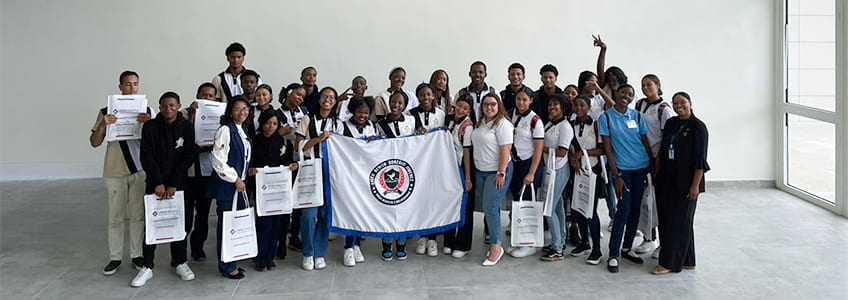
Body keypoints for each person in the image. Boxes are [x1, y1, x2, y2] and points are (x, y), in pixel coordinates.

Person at [133, 92, 197, 287]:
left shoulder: (186, 127)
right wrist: (158, 182)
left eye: (172, 105)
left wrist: (174, 183)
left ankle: (180, 262)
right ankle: (147, 266)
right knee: (153, 223)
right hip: (155, 184)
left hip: (179, 184)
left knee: (179, 223)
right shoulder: (150, 126)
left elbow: (188, 155)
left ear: (178, 106)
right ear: (159, 107)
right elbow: (146, 156)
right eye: (164, 106)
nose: (168, 109)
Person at [90, 70, 151, 275]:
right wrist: (103, 125)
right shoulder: (106, 111)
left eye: (135, 84)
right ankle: (115, 257)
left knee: (138, 215)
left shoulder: (147, 110)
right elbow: (94, 142)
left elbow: (156, 141)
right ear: (120, 87)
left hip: (139, 169)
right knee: (115, 217)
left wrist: (149, 124)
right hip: (114, 170)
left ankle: (137, 254)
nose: (132, 88)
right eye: (127, 84)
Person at [652, 92, 709, 275]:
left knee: (677, 222)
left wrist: (695, 186)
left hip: (687, 183)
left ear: (690, 103)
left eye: (682, 102)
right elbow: (663, 149)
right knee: (678, 221)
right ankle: (687, 260)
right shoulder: (671, 123)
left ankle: (669, 263)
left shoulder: (698, 127)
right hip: (667, 179)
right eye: (675, 103)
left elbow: (700, 161)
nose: (679, 106)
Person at [598, 84, 653, 273]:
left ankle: (627, 248)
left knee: (636, 210)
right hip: (623, 171)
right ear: (616, 94)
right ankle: (613, 254)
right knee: (623, 211)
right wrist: (616, 175)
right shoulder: (606, 117)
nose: (626, 97)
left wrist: (651, 166)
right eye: (623, 93)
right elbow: (608, 149)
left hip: (641, 168)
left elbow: (645, 142)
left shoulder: (636, 116)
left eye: (630, 94)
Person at [295, 87, 343, 271]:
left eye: (331, 97)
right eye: (324, 96)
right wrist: (319, 138)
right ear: (319, 99)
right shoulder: (307, 119)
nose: (327, 100)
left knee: (325, 214)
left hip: (330, 170)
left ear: (335, 101)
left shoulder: (338, 123)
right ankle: (308, 252)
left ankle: (319, 253)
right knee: (308, 215)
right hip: (310, 168)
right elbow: (298, 146)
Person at [206, 96, 252, 279]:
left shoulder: (243, 130)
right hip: (228, 186)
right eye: (238, 109)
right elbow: (218, 161)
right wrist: (235, 179)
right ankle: (226, 266)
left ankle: (232, 261)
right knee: (227, 227)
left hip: (239, 185)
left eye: (245, 109)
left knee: (235, 225)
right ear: (230, 111)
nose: (242, 112)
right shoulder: (225, 129)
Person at [248, 110, 298, 272]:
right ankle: (259, 257)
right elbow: (249, 163)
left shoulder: (284, 142)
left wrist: (293, 166)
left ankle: (270, 257)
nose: (271, 126)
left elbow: (289, 162)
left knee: (277, 224)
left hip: (279, 190)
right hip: (262, 189)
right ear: (262, 123)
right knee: (263, 224)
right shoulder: (254, 142)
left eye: (275, 124)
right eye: (268, 123)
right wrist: (251, 171)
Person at [633, 74, 676, 257]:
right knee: (645, 201)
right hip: (642, 158)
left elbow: (667, 137)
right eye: (643, 85)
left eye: (649, 84)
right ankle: (648, 237)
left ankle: (663, 243)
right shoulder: (640, 105)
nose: (646, 88)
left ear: (658, 85)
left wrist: (658, 159)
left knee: (659, 202)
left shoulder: (664, 109)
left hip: (658, 161)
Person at [470, 93, 514, 266]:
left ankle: (496, 247)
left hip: (496, 172)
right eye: (486, 104)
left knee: (490, 207)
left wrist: (501, 172)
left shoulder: (503, 124)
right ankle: (495, 240)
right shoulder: (481, 122)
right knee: (490, 208)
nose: (489, 107)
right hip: (481, 171)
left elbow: (506, 149)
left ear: (499, 105)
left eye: (493, 104)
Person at [376, 90, 418, 261]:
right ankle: (386, 244)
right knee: (387, 206)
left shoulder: (411, 120)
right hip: (386, 169)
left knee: (404, 207)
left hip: (406, 170)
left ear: (405, 105)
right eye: (393, 102)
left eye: (400, 103)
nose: (396, 105)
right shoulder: (380, 124)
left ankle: (401, 244)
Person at [182, 82, 220, 262]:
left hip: (207, 172)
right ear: (197, 96)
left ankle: (197, 247)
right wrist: (193, 116)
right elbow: (182, 137)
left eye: (211, 95)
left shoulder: (219, 115)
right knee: (186, 214)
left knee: (203, 214)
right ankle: (180, 252)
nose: (207, 98)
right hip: (188, 173)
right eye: (204, 95)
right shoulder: (184, 113)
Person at [338, 97, 377, 267]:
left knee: (362, 210)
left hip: (366, 175)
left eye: (366, 113)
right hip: (349, 175)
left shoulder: (371, 126)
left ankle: (357, 245)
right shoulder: (343, 126)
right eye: (359, 112)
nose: (362, 116)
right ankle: (348, 247)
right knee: (351, 211)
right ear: (353, 111)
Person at [507, 86, 545, 259]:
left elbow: (538, 149)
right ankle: (519, 239)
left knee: (528, 204)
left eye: (524, 100)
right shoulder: (512, 114)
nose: (521, 103)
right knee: (517, 201)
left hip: (529, 164)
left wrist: (531, 173)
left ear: (531, 101)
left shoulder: (535, 121)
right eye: (518, 99)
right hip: (515, 164)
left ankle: (530, 244)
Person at [410, 83, 447, 256]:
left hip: (436, 162)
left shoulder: (441, 114)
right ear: (417, 97)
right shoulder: (410, 114)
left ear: (433, 96)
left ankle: (432, 238)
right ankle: (422, 236)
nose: (425, 98)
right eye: (422, 95)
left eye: (428, 95)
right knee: (420, 198)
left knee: (434, 198)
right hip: (417, 163)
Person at [568, 95, 606, 265]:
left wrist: (582, 154)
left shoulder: (596, 124)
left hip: (592, 170)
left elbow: (602, 149)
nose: (579, 108)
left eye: (582, 105)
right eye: (576, 105)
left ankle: (597, 249)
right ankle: (584, 243)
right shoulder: (571, 124)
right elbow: (570, 147)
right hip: (577, 171)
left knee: (591, 210)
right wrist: (574, 158)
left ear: (589, 106)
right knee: (578, 208)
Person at [539, 94, 574, 262]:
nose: (551, 107)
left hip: (559, 169)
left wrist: (540, 148)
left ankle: (557, 249)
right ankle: (560, 239)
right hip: (550, 169)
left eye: (555, 105)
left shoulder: (565, 127)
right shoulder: (550, 123)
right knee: (558, 206)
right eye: (550, 105)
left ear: (563, 107)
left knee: (549, 209)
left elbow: (562, 152)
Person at [276, 83, 308, 257]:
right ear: (289, 93)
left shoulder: (304, 112)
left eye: (302, 96)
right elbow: (270, 135)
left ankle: (294, 236)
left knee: (298, 202)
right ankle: (280, 241)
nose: (300, 98)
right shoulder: (277, 113)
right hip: (284, 162)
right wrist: (281, 132)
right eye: (297, 94)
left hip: (301, 161)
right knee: (284, 202)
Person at [443, 94, 475, 258]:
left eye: (465, 108)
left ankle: (463, 244)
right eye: (459, 106)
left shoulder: (467, 127)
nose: (461, 110)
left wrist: (468, 178)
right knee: (449, 203)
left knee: (465, 207)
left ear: (469, 111)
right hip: (449, 168)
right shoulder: (449, 120)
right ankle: (448, 240)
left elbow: (467, 153)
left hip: (463, 168)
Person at [593, 35, 636, 101]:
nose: (611, 83)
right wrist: (603, 50)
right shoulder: (607, 89)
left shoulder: (629, 92)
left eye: (614, 80)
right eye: (609, 81)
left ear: (619, 79)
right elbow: (600, 70)